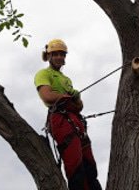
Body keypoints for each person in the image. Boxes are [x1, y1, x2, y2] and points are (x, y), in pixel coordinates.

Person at [34, 39, 102, 190]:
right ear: (49, 56)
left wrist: (75, 98)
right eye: (55, 54)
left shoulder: (66, 80)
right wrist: (66, 97)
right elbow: (47, 96)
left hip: (75, 120)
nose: (59, 57)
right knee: (74, 163)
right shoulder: (43, 74)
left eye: (62, 54)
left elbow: (79, 106)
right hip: (60, 120)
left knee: (89, 164)